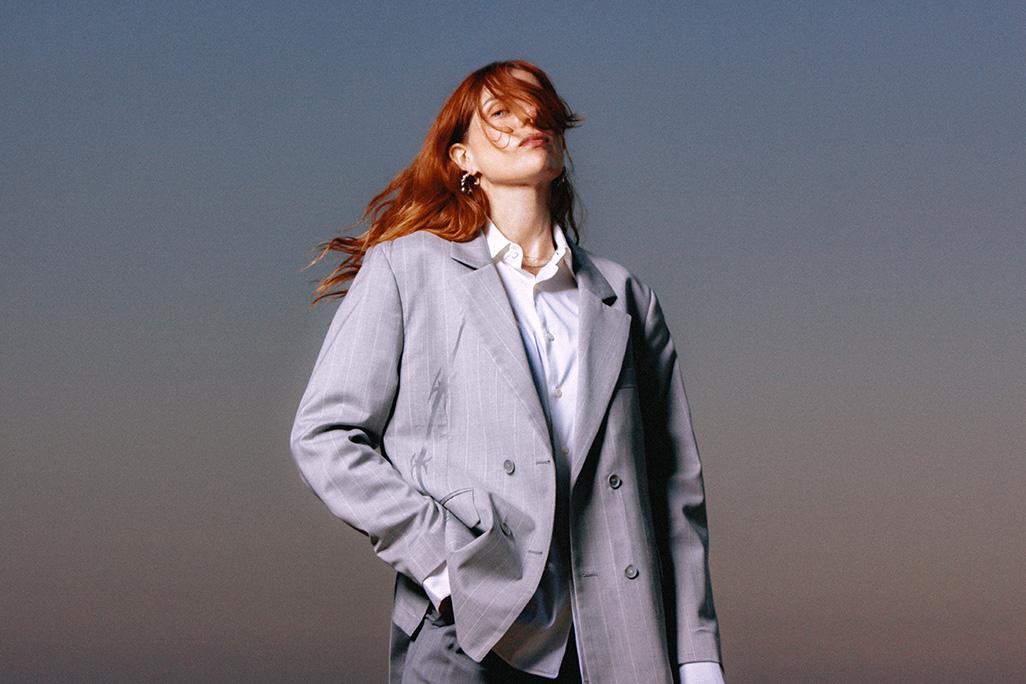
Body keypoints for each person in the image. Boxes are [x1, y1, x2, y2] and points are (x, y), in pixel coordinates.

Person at [289, 60, 725, 684]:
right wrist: (443, 564)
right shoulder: (407, 270)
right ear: (462, 157)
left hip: (621, 645)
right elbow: (324, 437)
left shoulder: (625, 299)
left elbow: (674, 491)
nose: (528, 122)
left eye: (539, 111)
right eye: (502, 113)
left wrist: (697, 656)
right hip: (469, 636)